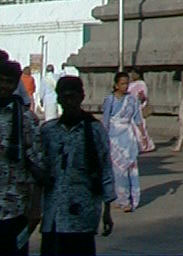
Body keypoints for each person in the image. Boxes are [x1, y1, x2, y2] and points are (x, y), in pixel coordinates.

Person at [40, 76, 114, 256]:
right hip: (53, 215)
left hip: (82, 214)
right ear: (58, 99)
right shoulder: (48, 131)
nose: (69, 102)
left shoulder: (95, 130)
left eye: (73, 96)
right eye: (65, 97)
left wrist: (107, 210)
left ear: (82, 97)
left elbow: (105, 168)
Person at [0, 59, 44, 256]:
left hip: (14, 208)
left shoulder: (25, 119)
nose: (3, 86)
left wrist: (35, 209)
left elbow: (37, 166)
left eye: (8, 82)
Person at [100, 72, 145, 212]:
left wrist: (142, 134)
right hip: (114, 138)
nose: (125, 86)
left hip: (128, 137)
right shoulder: (110, 100)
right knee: (118, 170)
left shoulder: (132, 100)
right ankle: (122, 199)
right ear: (116, 85)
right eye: (122, 84)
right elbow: (105, 120)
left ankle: (131, 198)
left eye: (127, 83)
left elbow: (137, 118)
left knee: (130, 168)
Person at [124, 70, 154, 154]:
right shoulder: (131, 84)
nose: (132, 75)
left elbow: (143, 96)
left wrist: (141, 97)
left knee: (140, 127)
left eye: (134, 73)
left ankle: (144, 145)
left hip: (138, 108)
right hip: (130, 108)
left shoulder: (141, 84)